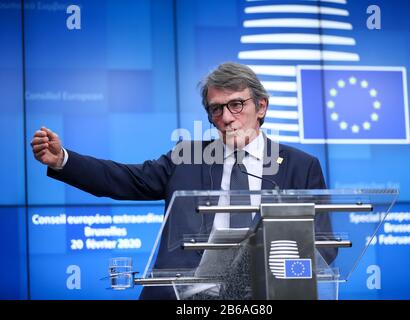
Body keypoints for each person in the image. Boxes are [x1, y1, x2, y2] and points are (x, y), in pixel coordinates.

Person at [31, 62, 335, 299]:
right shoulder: (186, 157)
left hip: (263, 297)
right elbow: (123, 179)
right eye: (216, 109)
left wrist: (280, 276)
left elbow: (324, 245)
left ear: (262, 107)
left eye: (236, 104)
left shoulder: (300, 166)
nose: (227, 117)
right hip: (183, 297)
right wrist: (62, 160)